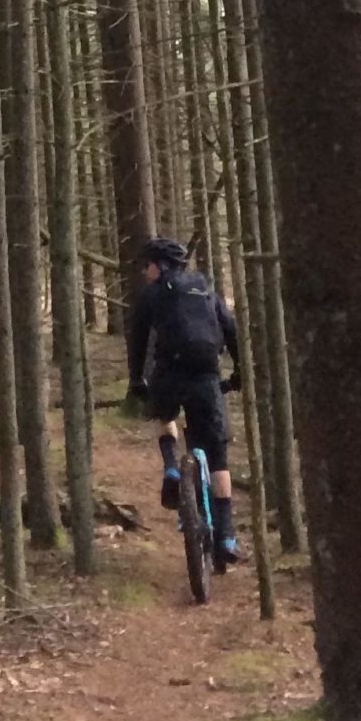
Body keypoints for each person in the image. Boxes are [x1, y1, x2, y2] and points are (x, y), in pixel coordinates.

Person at [126, 234, 241, 567]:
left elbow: (138, 339)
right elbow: (230, 330)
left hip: (170, 374)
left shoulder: (153, 293)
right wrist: (240, 375)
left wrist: (137, 379)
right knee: (218, 458)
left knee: (164, 417)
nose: (145, 272)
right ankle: (228, 535)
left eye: (147, 265)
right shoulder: (205, 289)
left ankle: (173, 470)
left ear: (159, 266)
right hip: (207, 376)